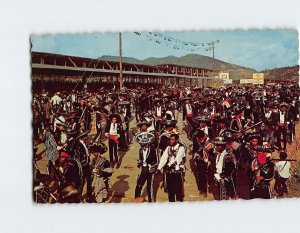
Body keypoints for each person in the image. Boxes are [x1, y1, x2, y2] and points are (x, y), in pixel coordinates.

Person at [157, 134, 186, 202]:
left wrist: (169, 164)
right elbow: (164, 158)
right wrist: (159, 168)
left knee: (178, 190)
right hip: (170, 171)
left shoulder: (181, 148)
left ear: (177, 140)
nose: (171, 141)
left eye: (173, 140)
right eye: (170, 139)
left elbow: (177, 159)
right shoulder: (168, 148)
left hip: (178, 171)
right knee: (170, 190)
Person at [134, 132, 158, 202]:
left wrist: (150, 167)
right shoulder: (140, 150)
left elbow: (156, 161)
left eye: (146, 142)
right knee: (138, 185)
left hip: (150, 170)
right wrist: (139, 163)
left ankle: (151, 202)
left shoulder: (153, 150)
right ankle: (136, 200)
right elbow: (141, 159)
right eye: (143, 143)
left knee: (149, 187)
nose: (145, 144)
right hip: (143, 169)